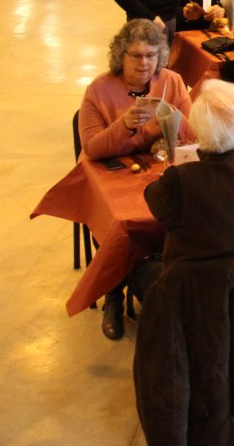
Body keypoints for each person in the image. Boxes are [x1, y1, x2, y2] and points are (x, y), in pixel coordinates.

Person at [77, 18, 195, 339]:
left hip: (157, 170)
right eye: (136, 55)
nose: (144, 63)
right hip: (111, 172)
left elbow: (194, 136)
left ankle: (163, 274)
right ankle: (113, 295)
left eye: (151, 55)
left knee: (184, 209)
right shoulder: (98, 91)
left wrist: (172, 115)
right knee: (118, 222)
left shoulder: (172, 82)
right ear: (121, 56)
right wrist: (124, 125)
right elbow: (92, 148)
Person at [143, 78, 234, 272]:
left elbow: (153, 201)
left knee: (141, 267)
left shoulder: (180, 180)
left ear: (198, 129)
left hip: (199, 284)